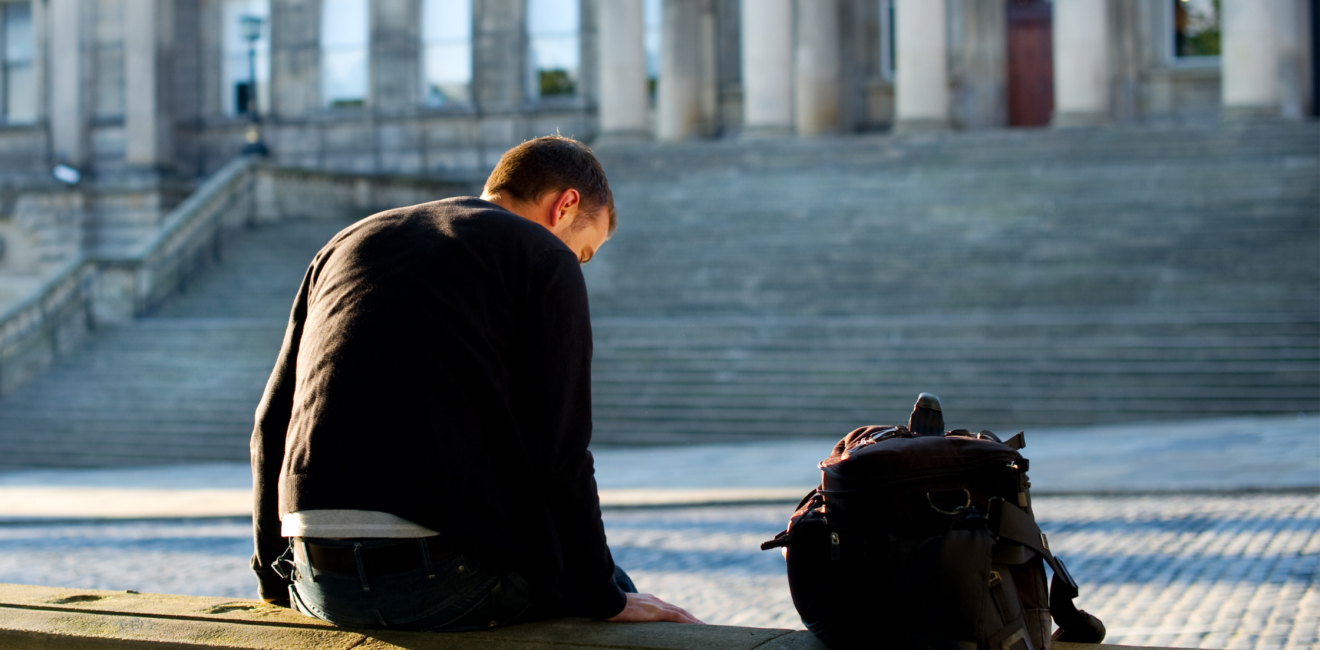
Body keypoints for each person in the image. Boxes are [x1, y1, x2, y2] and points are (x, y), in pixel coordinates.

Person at [249, 136, 701, 630]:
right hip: (441, 581)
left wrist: (272, 580)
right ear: (565, 206)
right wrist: (605, 597)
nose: (579, 264)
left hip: (316, 579)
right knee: (615, 591)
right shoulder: (544, 255)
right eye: (586, 252)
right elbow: (560, 453)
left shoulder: (347, 241)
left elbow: (271, 422)